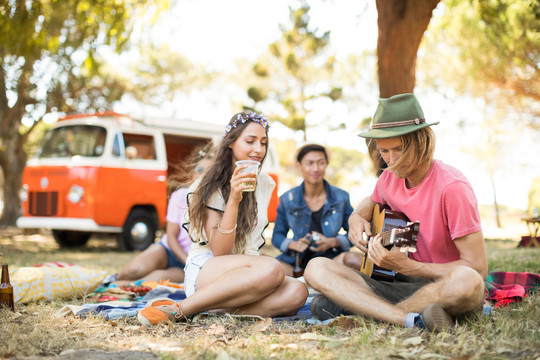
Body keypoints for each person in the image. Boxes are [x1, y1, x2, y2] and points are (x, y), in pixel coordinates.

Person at [304, 93, 487, 332]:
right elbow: (368, 203)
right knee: (316, 267)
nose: (392, 161)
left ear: (421, 141)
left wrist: (413, 268)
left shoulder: (452, 188)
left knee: (468, 281)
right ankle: (410, 318)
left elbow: (477, 268)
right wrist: (356, 217)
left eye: (399, 149)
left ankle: (366, 311)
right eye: (384, 151)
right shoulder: (389, 177)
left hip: (443, 285)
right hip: (393, 284)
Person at [137, 112, 309, 326]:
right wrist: (234, 200)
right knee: (272, 267)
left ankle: (211, 311)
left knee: (297, 292)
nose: (258, 149)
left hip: (250, 275)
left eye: (263, 143)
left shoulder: (264, 183)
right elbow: (220, 251)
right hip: (209, 269)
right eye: (250, 141)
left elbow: (248, 248)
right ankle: (180, 310)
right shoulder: (209, 185)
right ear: (231, 143)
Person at [115, 150, 211, 285]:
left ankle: (117, 287)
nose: (202, 175)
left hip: (193, 262)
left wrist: (190, 264)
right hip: (169, 250)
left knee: (153, 280)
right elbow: (171, 236)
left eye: (209, 172)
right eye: (200, 170)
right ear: (193, 173)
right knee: (133, 270)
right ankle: (114, 281)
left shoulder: (217, 202)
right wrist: (187, 260)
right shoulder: (180, 195)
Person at [272, 143, 354, 276]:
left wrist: (333, 242)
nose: (315, 169)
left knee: (352, 260)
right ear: (299, 166)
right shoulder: (287, 199)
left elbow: (354, 233)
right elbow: (277, 236)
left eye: (321, 163)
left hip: (332, 262)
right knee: (265, 264)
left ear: (327, 164)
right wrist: (294, 244)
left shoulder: (341, 197)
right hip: (296, 263)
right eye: (309, 163)